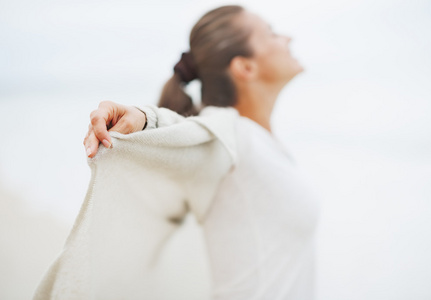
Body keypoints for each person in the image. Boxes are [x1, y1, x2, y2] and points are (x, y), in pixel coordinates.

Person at [36, 5, 320, 300]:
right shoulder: (231, 136)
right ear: (245, 67)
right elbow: (191, 134)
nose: (287, 38)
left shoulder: (256, 140)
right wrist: (144, 120)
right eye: (271, 33)